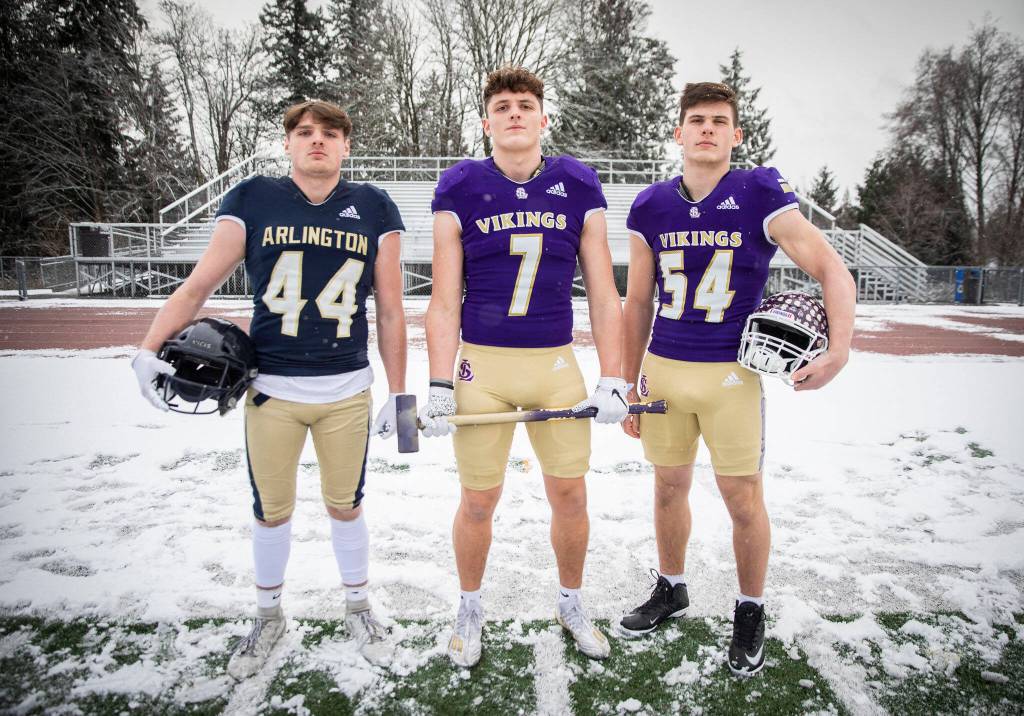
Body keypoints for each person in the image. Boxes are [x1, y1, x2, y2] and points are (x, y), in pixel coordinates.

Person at [131, 100, 409, 678]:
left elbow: (389, 309)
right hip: (271, 390)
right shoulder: (253, 198)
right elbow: (199, 283)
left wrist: (400, 391)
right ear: (287, 144)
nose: (317, 142)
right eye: (305, 133)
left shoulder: (375, 205)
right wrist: (147, 347)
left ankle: (358, 606)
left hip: (346, 388)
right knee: (271, 511)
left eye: (331, 134)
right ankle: (268, 615)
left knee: (346, 505)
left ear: (346, 147)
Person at [618, 82, 856, 676]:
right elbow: (637, 301)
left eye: (718, 122)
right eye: (695, 120)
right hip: (665, 369)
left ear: (735, 135)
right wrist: (627, 380)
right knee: (667, 486)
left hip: (731, 375)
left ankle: (750, 608)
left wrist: (840, 350)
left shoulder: (758, 191)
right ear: (677, 133)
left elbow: (830, 266)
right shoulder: (650, 206)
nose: (706, 130)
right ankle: (671, 587)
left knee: (742, 497)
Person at [419, 66, 628, 668]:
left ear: (542, 118)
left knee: (569, 494)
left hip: (554, 366)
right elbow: (442, 298)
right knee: (478, 500)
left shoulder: (577, 183)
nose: (515, 113)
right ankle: (469, 606)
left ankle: (571, 600)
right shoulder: (458, 186)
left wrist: (613, 374)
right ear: (486, 123)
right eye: (503, 106)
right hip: (478, 369)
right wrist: (437, 382)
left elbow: (603, 292)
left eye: (525, 104)